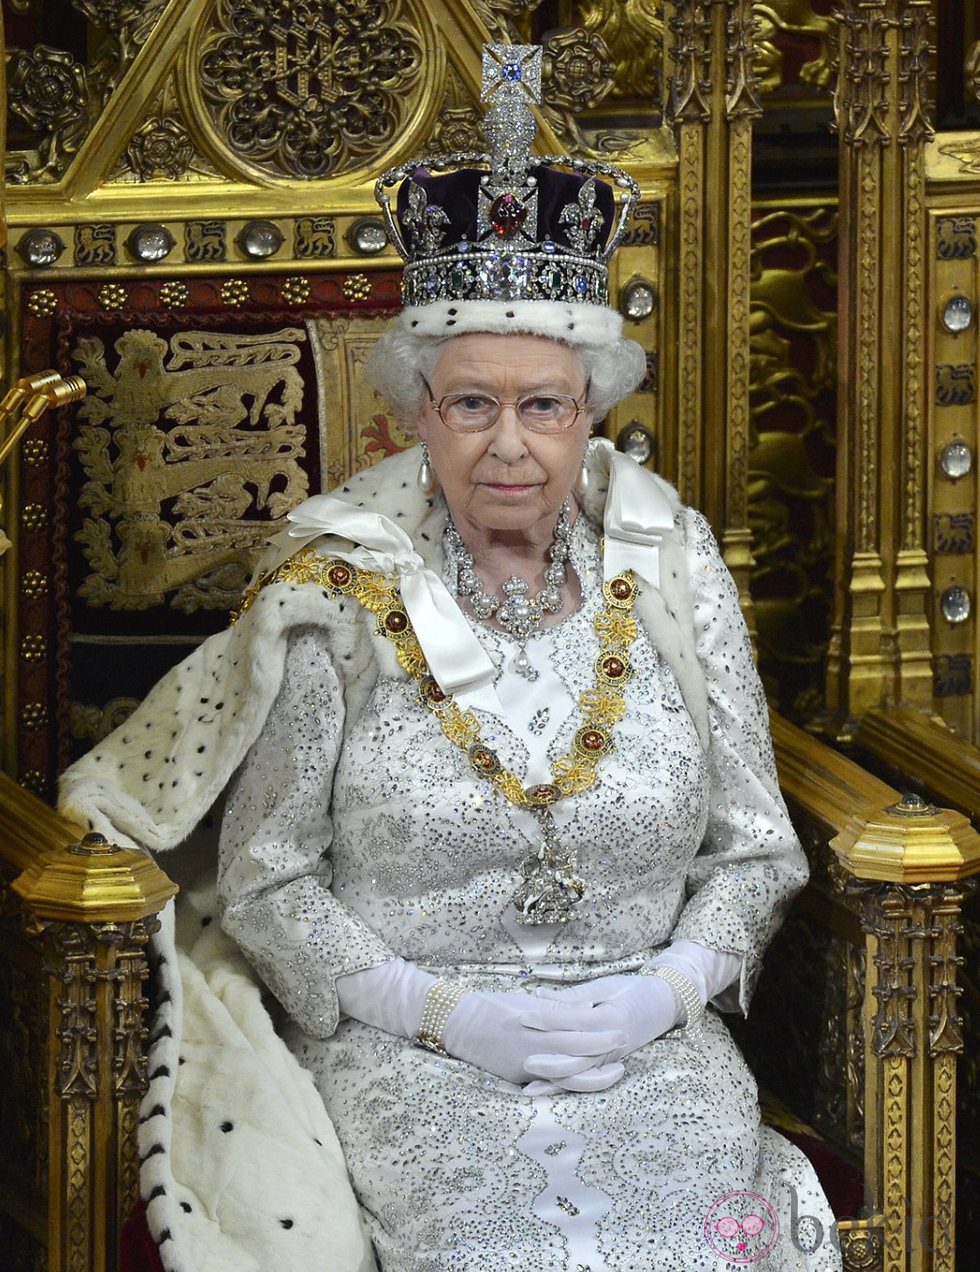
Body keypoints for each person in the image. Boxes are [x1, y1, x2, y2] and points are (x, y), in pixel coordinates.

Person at [61, 43, 840, 1272]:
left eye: (544, 404)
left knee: (707, 1246)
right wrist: (439, 1015)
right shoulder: (336, 589)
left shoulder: (672, 569)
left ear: (589, 413)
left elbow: (755, 845)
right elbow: (265, 879)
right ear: (413, 414)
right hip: (407, 1053)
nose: (510, 446)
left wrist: (667, 995)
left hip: (653, 1052)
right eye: (471, 404)